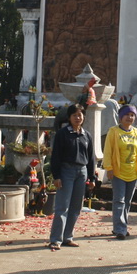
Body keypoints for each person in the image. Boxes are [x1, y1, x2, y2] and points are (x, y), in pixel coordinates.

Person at [48, 103, 96, 251]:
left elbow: (91, 157)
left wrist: (92, 177)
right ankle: (56, 239)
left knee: (76, 207)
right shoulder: (62, 134)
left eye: (80, 115)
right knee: (62, 206)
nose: (77, 118)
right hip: (66, 171)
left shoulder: (86, 135)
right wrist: (56, 176)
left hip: (82, 172)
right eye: (74, 115)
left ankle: (68, 237)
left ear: (84, 117)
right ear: (69, 117)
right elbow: (56, 156)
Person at [103, 104, 137, 239]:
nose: (129, 117)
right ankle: (120, 229)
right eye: (127, 114)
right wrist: (109, 167)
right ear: (121, 117)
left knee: (127, 201)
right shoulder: (113, 131)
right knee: (119, 201)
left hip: (132, 172)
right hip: (118, 171)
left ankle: (122, 226)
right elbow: (108, 150)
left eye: (132, 115)